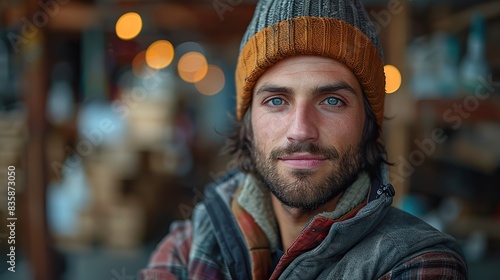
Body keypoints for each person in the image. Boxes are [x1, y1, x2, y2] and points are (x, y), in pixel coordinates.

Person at [140, 0, 468, 279]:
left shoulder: (416, 262)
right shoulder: (189, 246)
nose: (301, 130)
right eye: (276, 101)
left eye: (332, 101)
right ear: (248, 123)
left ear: (369, 122)